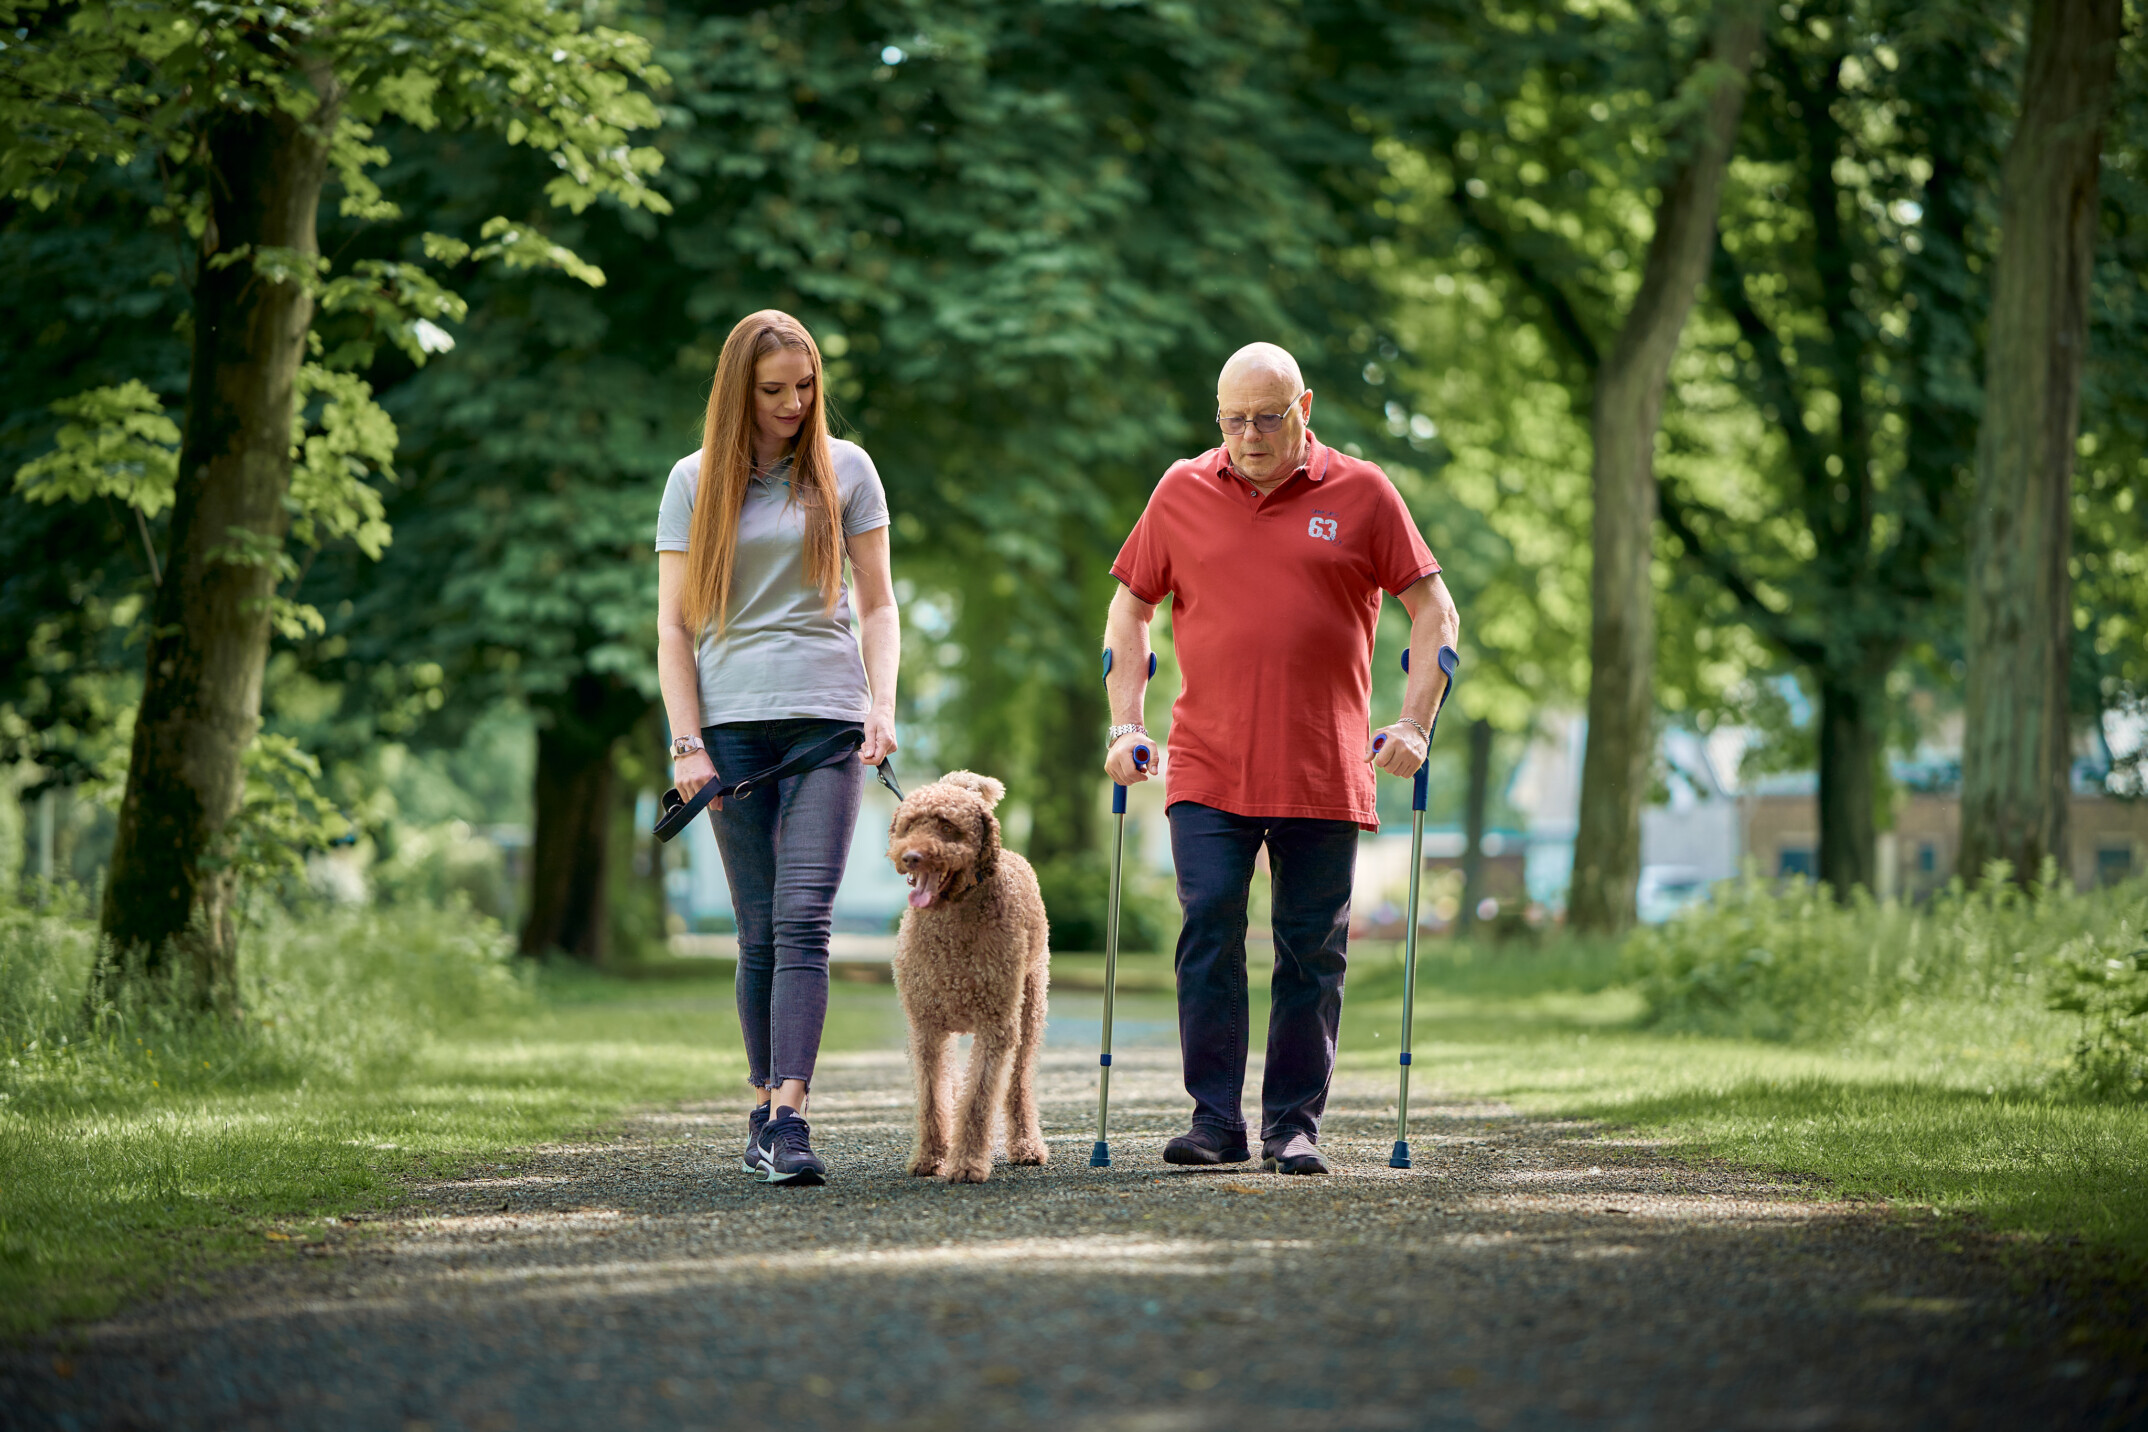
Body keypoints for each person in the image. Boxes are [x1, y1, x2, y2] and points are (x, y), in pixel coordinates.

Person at [1101, 341, 1459, 1174]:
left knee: (1310, 951)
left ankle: (1292, 1126)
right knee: (1210, 928)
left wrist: (1413, 725)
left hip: (1323, 768)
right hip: (1208, 766)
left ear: (1307, 410)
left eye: (1269, 417)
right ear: (1217, 417)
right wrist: (1125, 728)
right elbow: (1128, 613)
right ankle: (1214, 1122)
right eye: (1234, 420)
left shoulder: (1364, 491)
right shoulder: (1181, 490)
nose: (1252, 435)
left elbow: (1434, 611)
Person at [655, 310, 900, 1186]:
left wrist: (882, 703)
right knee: (756, 931)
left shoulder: (849, 470)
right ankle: (760, 1107)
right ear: (738, 392)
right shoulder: (692, 483)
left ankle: (791, 1117)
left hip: (828, 719)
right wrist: (688, 746)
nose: (794, 403)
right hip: (731, 731)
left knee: (804, 920)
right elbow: (673, 629)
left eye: (805, 387)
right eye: (773, 391)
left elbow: (876, 604)